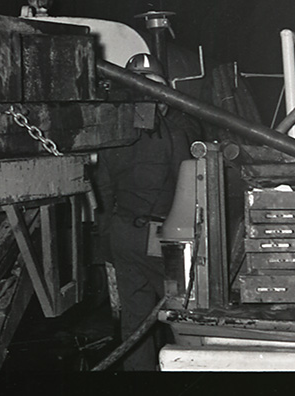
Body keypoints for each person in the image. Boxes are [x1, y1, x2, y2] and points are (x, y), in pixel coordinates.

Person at [95, 48, 202, 370]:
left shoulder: (110, 135)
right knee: (184, 315)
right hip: (162, 236)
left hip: (124, 232)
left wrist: (109, 241)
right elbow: (189, 188)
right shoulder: (176, 133)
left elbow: (103, 192)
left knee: (135, 323)